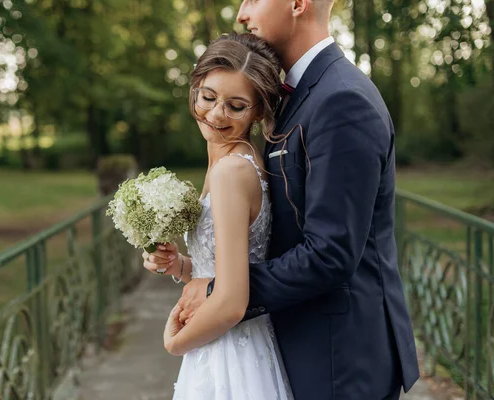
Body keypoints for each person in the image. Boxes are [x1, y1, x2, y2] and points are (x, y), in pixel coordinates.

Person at [146, 0, 421, 398]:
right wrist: (189, 267)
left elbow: (330, 253)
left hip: (338, 358)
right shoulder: (298, 96)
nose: (242, 12)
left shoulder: (341, 100)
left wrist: (219, 291)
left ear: (297, 3)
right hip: (291, 342)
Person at [143, 32, 294, 399]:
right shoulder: (230, 161)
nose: (215, 114)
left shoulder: (231, 173)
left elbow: (230, 302)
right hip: (224, 342)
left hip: (229, 350)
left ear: (258, 110)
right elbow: (225, 266)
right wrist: (179, 264)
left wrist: (175, 344)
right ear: (195, 88)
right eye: (208, 97)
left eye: (235, 106)